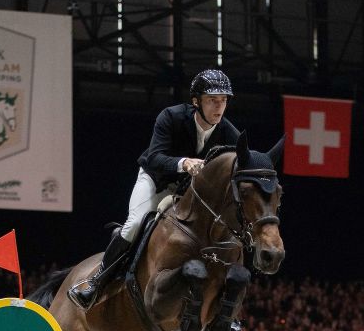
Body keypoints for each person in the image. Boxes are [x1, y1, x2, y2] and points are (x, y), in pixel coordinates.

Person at [68, 69, 240, 311]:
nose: (219, 106)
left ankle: (225, 309)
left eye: (223, 100)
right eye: (212, 100)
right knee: (135, 223)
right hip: (156, 180)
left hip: (189, 193)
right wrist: (184, 163)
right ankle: (96, 283)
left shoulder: (230, 134)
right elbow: (155, 157)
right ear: (196, 101)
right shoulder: (171, 117)